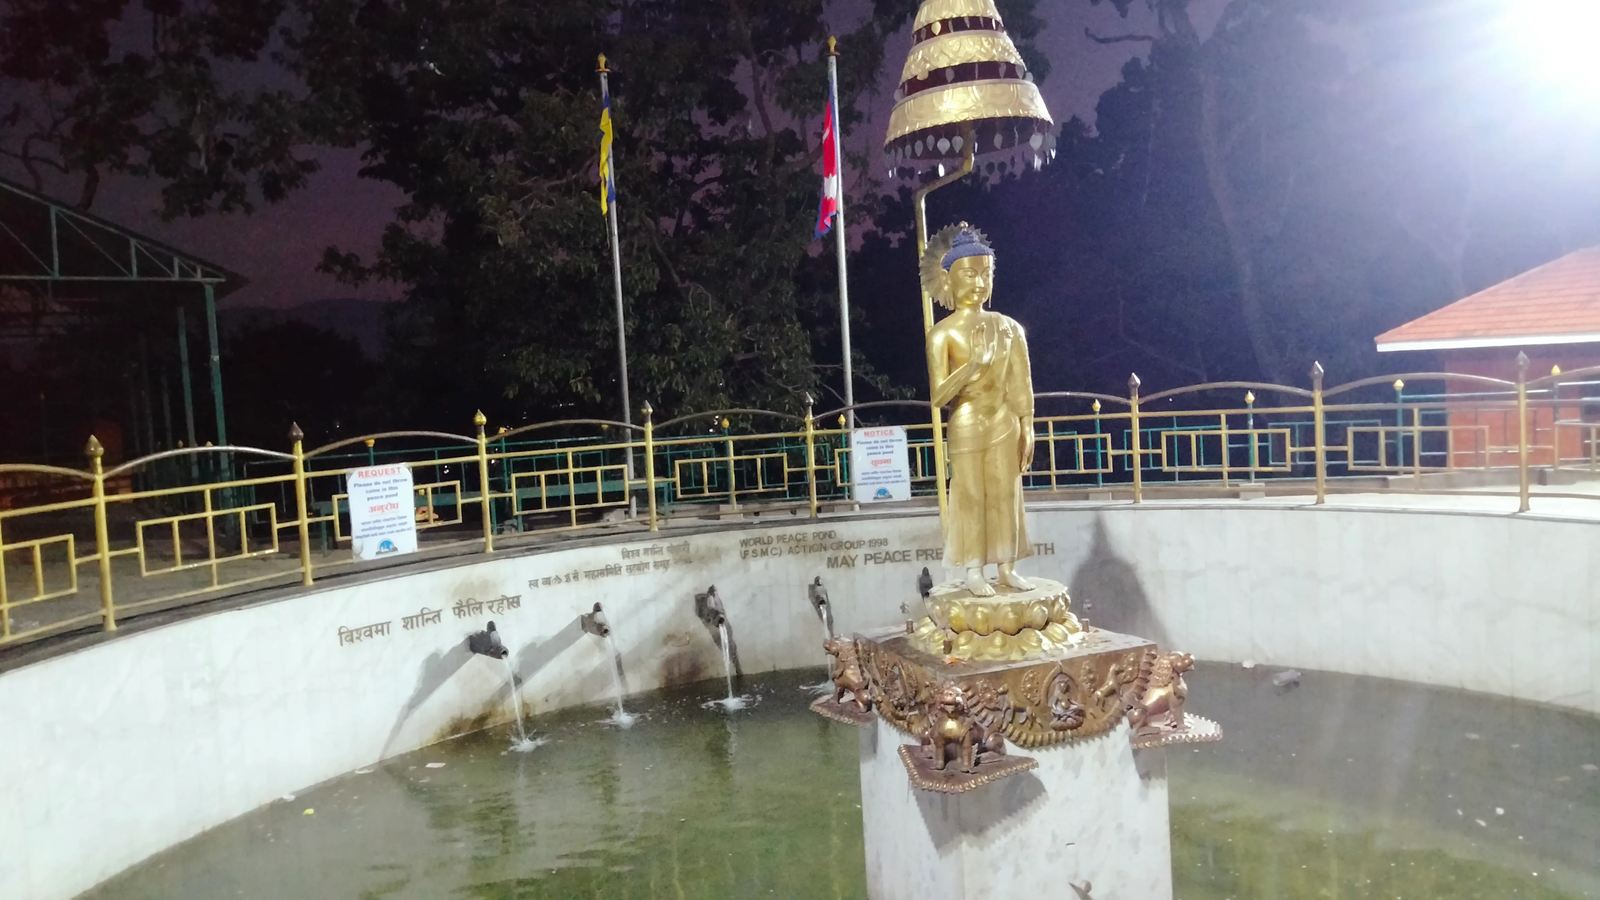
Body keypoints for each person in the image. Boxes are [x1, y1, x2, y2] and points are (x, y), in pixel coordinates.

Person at [923, 224, 1035, 597]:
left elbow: (1021, 382)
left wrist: (1028, 423)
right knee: (971, 494)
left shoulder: (1009, 328)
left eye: (985, 274)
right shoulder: (943, 334)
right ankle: (974, 569)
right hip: (968, 420)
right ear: (948, 279)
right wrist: (971, 368)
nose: (978, 282)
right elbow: (939, 396)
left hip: (1005, 420)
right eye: (969, 274)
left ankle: (1007, 566)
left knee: (1006, 492)